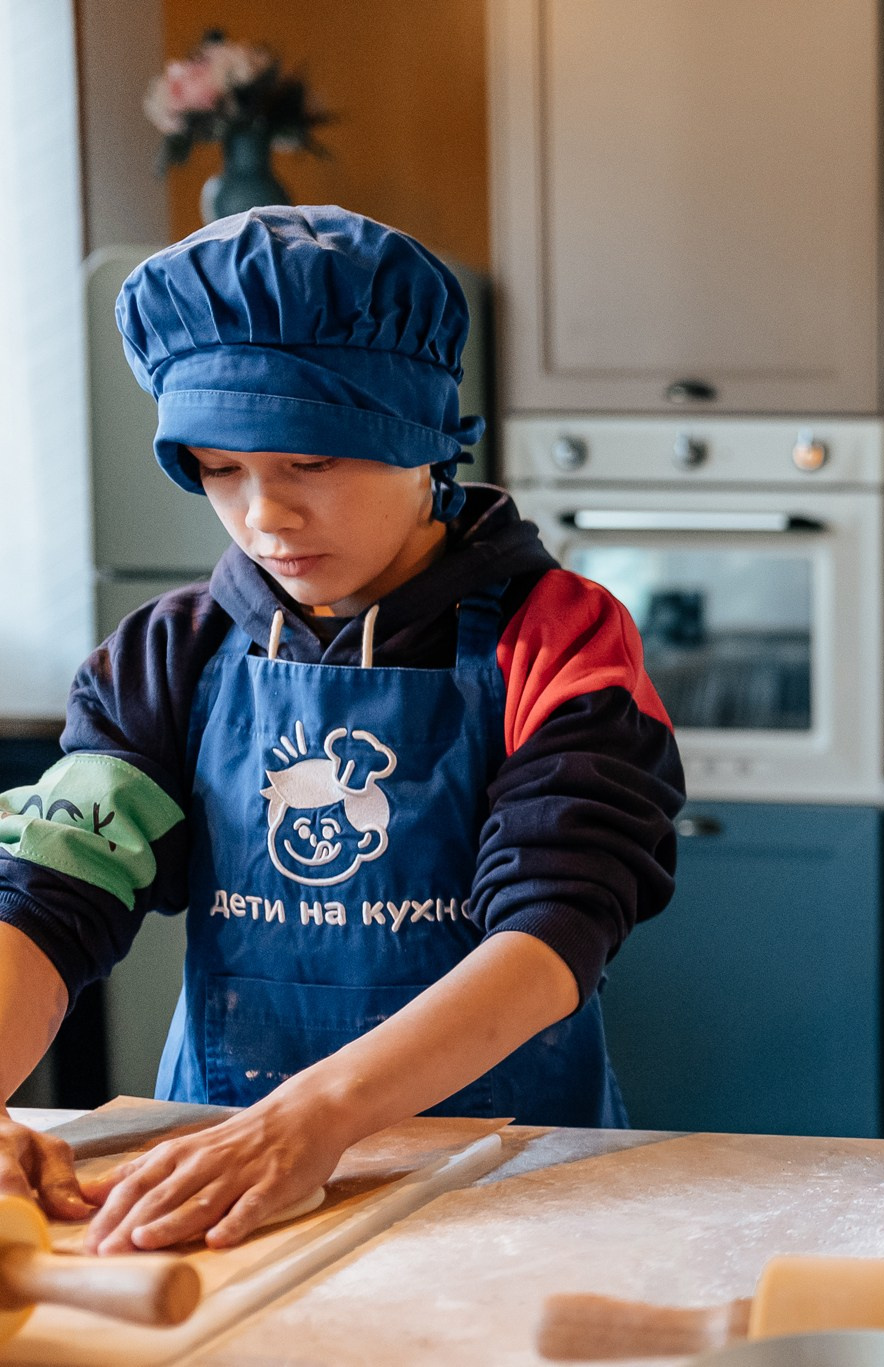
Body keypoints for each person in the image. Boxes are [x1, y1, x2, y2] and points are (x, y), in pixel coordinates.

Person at [0, 207, 684, 1254]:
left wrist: (316, 1117)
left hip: (510, 1186)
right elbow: (55, 893)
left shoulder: (559, 637)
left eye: (309, 461)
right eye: (219, 469)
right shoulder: (168, 651)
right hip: (230, 1172)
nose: (263, 514)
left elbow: (555, 932)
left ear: (421, 440)